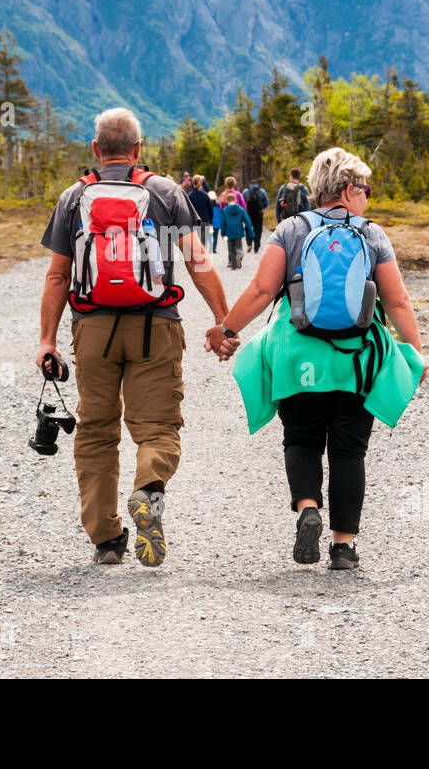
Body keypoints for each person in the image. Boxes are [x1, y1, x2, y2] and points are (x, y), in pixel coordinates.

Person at [37, 109, 233, 567]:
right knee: (158, 428)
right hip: (156, 326)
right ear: (139, 149)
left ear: (95, 150)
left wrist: (47, 341)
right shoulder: (164, 192)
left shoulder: (72, 198)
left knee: (96, 432)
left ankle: (107, 539)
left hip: (93, 330)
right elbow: (197, 262)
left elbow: (56, 277)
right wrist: (224, 322)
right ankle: (147, 489)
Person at [216, 147, 425, 571]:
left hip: (297, 360)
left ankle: (308, 507)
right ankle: (343, 547)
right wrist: (415, 354)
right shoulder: (371, 234)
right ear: (348, 190)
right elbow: (397, 300)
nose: (367, 197)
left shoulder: (291, 230)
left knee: (301, 439)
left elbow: (260, 290)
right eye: (365, 189)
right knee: (349, 451)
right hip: (356, 362)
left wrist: (226, 330)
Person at [219, 195, 255, 269]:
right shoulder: (240, 209)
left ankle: (232, 263)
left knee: (231, 248)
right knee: (238, 247)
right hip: (238, 231)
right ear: (235, 200)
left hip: (229, 232)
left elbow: (223, 222)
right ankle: (239, 256)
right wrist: (251, 231)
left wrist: (223, 233)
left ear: (227, 201)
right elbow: (247, 221)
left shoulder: (225, 210)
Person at [187, 174, 214, 249]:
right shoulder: (205, 195)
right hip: (205, 221)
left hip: (194, 221)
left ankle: (197, 258)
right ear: (201, 182)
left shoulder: (190, 195)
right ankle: (203, 258)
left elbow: (188, 210)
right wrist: (211, 221)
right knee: (203, 243)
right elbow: (210, 209)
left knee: (196, 243)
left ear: (192, 183)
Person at [243, 179, 269, 253]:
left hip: (248, 213)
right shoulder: (262, 191)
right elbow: (266, 202)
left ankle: (249, 244)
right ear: (257, 184)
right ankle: (256, 247)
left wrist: (245, 210)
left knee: (248, 228)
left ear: (250, 184)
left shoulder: (245, 192)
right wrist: (262, 208)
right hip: (259, 213)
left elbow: (242, 202)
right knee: (258, 230)